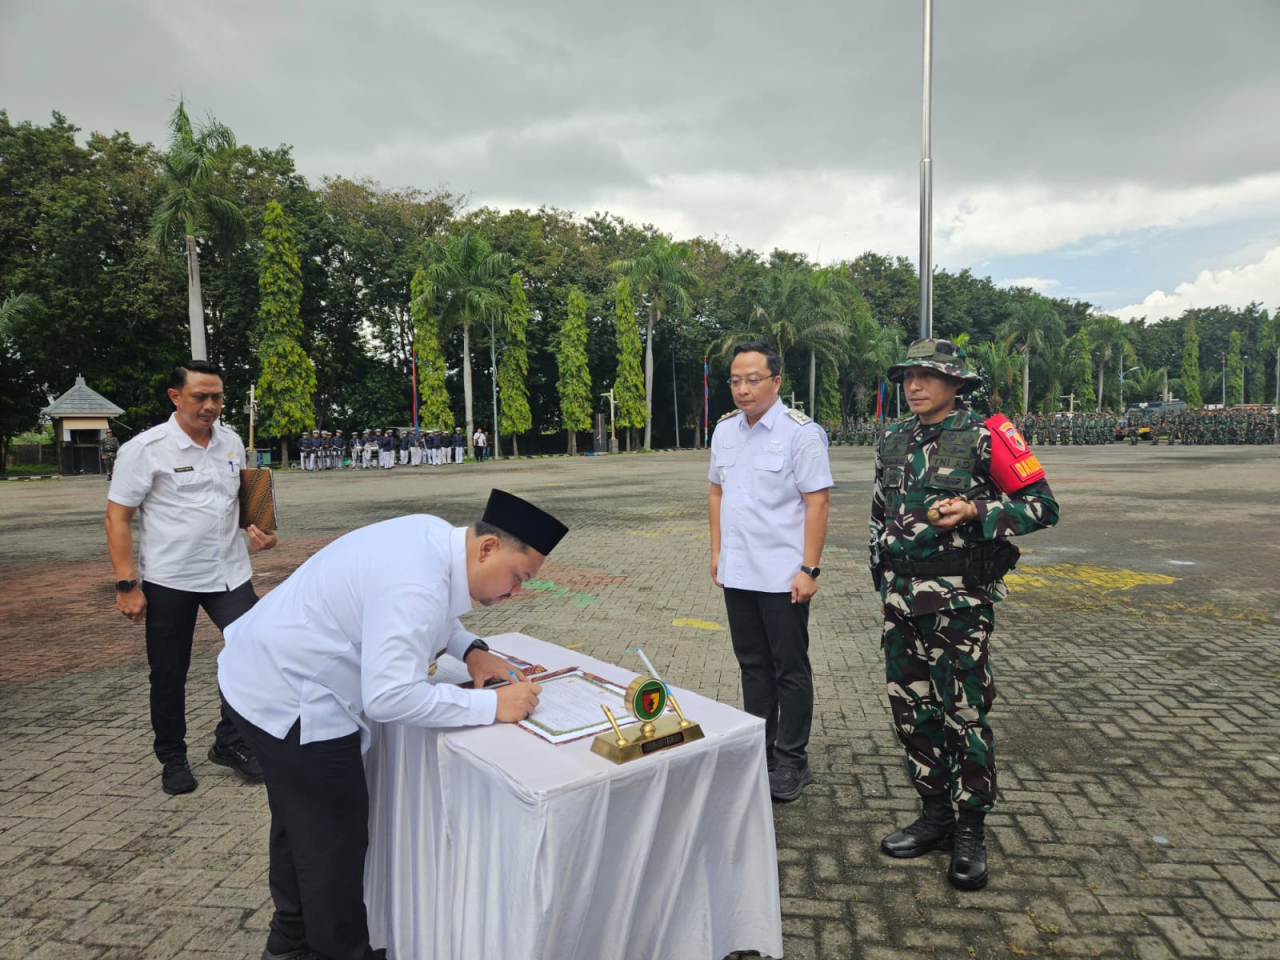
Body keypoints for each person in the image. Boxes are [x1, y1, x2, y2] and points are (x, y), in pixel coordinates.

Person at [218, 489, 567, 960]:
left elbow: (429, 611)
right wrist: (494, 707)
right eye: (517, 577)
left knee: (299, 823)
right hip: (292, 699)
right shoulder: (416, 581)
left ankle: (289, 941)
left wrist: (471, 650)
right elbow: (388, 697)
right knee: (332, 844)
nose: (515, 592)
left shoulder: (433, 538)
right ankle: (336, 950)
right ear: (487, 548)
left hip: (258, 671)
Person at [870, 338, 1059, 891]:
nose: (915, 386)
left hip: (957, 604)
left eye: (928, 376)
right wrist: (881, 578)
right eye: (908, 376)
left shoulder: (986, 435)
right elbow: (880, 514)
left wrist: (977, 509)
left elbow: (1043, 506)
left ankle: (970, 825)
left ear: (956, 383)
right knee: (912, 711)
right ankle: (935, 815)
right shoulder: (893, 437)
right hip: (901, 600)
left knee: (965, 713)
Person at [105, 359, 278, 796]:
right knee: (168, 670)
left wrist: (259, 528)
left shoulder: (231, 441)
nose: (210, 405)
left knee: (255, 652)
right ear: (175, 396)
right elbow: (116, 518)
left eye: (217, 396)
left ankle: (231, 740)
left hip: (229, 573)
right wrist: (127, 584)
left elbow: (238, 501)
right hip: (170, 578)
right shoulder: (145, 449)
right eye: (200, 396)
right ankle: (172, 755)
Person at [708, 341, 832, 802]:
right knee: (753, 666)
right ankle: (759, 750)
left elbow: (816, 501)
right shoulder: (724, 432)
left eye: (753, 379)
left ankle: (793, 760)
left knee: (789, 668)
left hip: (783, 576)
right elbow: (717, 493)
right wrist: (717, 551)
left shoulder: (801, 433)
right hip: (738, 572)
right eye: (736, 380)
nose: (743, 389)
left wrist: (809, 568)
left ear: (776, 382)